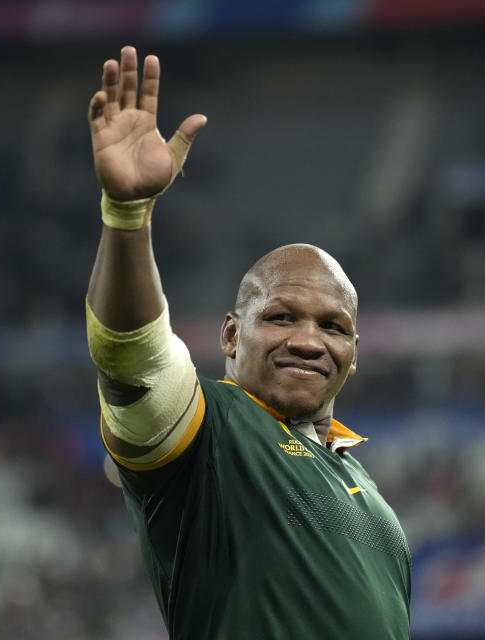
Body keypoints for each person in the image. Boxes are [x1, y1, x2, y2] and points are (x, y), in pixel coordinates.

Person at [86, 46, 411, 639]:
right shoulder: (210, 434)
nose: (309, 341)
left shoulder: (374, 502)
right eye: (283, 317)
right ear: (233, 335)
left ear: (354, 353)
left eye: (333, 327)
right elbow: (133, 354)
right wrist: (128, 215)